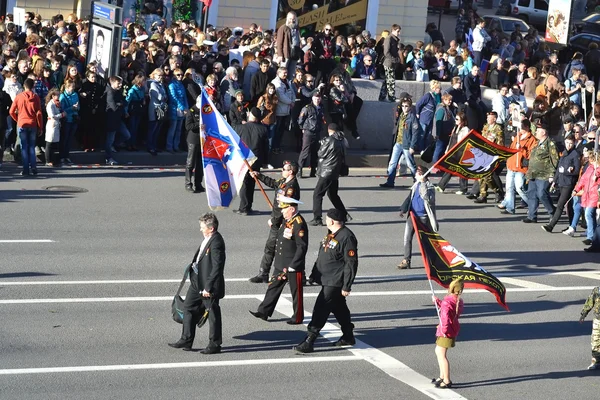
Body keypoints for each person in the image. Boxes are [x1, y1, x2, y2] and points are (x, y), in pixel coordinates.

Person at [294, 209, 358, 353]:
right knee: (339, 308)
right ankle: (348, 335)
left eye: (327, 218)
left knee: (321, 308)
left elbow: (351, 263)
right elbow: (324, 255)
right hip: (327, 278)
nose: (325, 220)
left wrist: (347, 286)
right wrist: (314, 274)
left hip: (335, 281)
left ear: (332, 221)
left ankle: (310, 340)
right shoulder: (332, 234)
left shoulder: (347, 237)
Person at [168, 213, 225, 354]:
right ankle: (186, 338)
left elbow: (217, 266)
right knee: (188, 307)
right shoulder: (207, 238)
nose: (200, 229)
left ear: (211, 228)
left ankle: (215, 344)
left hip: (207, 284)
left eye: (202, 227)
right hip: (197, 281)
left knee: (212, 312)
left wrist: (209, 286)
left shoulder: (216, 242)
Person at [249, 196, 308, 324]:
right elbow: (277, 225)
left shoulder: (298, 223)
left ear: (292, 209)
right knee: (273, 287)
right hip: (281, 262)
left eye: (284, 209)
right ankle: (264, 311)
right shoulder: (287, 220)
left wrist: (294, 264)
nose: (282, 211)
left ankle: (297, 317)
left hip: (292, 264)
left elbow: (301, 246)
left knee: (296, 292)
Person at [248, 160, 301, 283]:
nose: (282, 171)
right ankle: (263, 273)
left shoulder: (291, 188)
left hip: (283, 223)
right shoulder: (284, 182)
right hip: (277, 222)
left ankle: (297, 275)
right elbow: (273, 183)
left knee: (287, 249)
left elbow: (285, 209)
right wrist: (258, 175)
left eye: (284, 169)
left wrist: (274, 220)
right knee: (270, 247)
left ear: (290, 172)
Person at [397, 165, 438, 269]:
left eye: (418, 172)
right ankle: (406, 260)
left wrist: (423, 183)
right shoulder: (415, 185)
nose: (416, 174)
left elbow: (427, 198)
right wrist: (403, 209)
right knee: (407, 238)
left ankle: (430, 261)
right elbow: (410, 197)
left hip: (423, 218)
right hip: (412, 216)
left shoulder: (430, 187)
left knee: (425, 241)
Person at [310, 123, 349, 226]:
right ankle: (344, 215)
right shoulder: (342, 140)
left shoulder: (329, 140)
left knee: (317, 194)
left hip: (327, 171)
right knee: (333, 195)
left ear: (329, 130)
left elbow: (321, 154)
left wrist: (322, 144)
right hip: (335, 172)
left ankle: (317, 218)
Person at [232, 107, 269, 215]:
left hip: (244, 159)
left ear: (250, 115)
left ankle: (243, 207)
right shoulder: (263, 129)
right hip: (256, 159)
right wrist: (265, 161)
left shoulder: (239, 128)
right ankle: (248, 206)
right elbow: (266, 147)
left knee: (244, 183)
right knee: (252, 182)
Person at [431, 277, 464, 389]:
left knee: (441, 355)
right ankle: (442, 376)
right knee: (438, 352)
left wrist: (443, 331)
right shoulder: (458, 301)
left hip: (446, 331)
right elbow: (449, 310)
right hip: (452, 329)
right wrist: (438, 302)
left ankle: (446, 379)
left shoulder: (447, 301)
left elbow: (445, 318)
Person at [498, 119, 537, 215]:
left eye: (522, 127)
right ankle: (510, 208)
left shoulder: (532, 139)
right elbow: (511, 149)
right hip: (512, 165)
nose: (520, 129)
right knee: (509, 188)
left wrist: (522, 149)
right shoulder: (517, 136)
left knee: (520, 187)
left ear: (527, 127)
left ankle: (532, 204)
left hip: (521, 167)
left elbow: (530, 155)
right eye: (520, 127)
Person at [542, 135, 580, 232]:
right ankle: (572, 226)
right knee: (569, 205)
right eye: (567, 143)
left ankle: (551, 226)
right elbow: (559, 168)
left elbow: (577, 171)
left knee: (560, 205)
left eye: (571, 143)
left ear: (574, 143)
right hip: (561, 182)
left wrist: (567, 171)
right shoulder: (564, 153)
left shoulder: (575, 154)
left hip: (569, 183)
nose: (568, 145)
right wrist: (555, 180)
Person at [380, 97, 419, 188]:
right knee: (392, 163)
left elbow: (415, 133)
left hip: (407, 144)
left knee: (411, 164)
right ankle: (390, 182)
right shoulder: (401, 116)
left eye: (406, 106)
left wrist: (412, 146)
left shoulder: (412, 118)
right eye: (403, 106)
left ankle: (417, 181)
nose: (404, 108)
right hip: (398, 142)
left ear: (410, 107)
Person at [523, 126, 558, 223]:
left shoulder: (550, 143)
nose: (536, 132)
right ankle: (532, 215)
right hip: (533, 173)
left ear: (544, 132)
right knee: (532, 194)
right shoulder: (537, 143)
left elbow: (554, 159)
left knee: (542, 193)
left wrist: (552, 174)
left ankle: (552, 212)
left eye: (538, 131)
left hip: (544, 174)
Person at [9, 78, 43, 176]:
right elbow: (39, 113)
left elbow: (11, 111)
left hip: (22, 123)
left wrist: (17, 119)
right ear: (33, 86)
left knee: (24, 147)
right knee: (32, 147)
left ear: (24, 86)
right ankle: (34, 167)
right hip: (32, 124)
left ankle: (25, 169)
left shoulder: (19, 97)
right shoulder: (36, 97)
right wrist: (40, 127)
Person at [435, 111, 470, 194]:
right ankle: (441, 186)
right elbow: (451, 140)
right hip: (452, 151)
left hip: (460, 153)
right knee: (449, 169)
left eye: (457, 119)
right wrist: (447, 150)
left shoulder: (466, 130)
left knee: (462, 171)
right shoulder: (455, 127)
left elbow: (465, 142)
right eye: (456, 119)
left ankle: (463, 189)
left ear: (462, 120)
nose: (456, 120)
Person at [104, 76, 131, 165]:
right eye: (118, 83)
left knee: (127, 135)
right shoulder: (110, 92)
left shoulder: (119, 92)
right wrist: (121, 104)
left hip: (118, 119)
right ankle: (108, 158)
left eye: (121, 83)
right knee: (109, 139)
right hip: (111, 119)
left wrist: (122, 104)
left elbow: (124, 102)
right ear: (112, 83)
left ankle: (114, 145)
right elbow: (114, 106)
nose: (120, 85)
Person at [298, 92, 325, 178]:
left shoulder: (321, 108)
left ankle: (313, 170)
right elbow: (300, 119)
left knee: (315, 152)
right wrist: (303, 128)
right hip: (308, 132)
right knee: (305, 151)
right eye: (316, 98)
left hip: (317, 132)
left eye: (319, 98)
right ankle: (300, 170)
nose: (317, 99)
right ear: (312, 98)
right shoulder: (307, 108)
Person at [184, 95, 205, 193]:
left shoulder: (205, 111)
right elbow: (188, 126)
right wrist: (199, 124)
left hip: (202, 140)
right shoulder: (191, 111)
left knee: (200, 164)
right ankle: (188, 184)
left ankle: (198, 184)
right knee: (190, 163)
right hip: (193, 139)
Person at [379, 24, 401, 102]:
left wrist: (397, 59)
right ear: (393, 30)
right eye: (398, 31)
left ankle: (382, 96)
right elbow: (386, 52)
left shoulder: (395, 39)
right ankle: (391, 97)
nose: (399, 33)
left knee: (387, 80)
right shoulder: (389, 38)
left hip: (392, 63)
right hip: (389, 63)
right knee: (391, 80)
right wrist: (393, 59)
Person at [44, 89, 64, 167]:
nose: (58, 97)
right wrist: (62, 115)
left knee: (54, 143)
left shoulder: (56, 104)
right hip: (52, 124)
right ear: (53, 96)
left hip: (56, 124)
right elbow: (52, 116)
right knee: (49, 142)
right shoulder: (50, 104)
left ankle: (53, 159)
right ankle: (48, 160)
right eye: (57, 95)